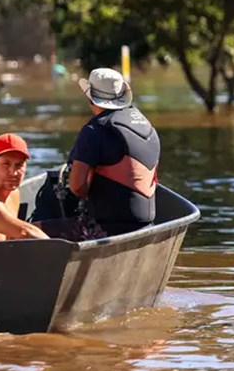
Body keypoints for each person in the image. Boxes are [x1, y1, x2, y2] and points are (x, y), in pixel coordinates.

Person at [39, 68, 161, 241]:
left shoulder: (94, 131)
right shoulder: (146, 126)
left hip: (107, 228)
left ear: (90, 98)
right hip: (147, 224)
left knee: (28, 231)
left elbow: (77, 188)